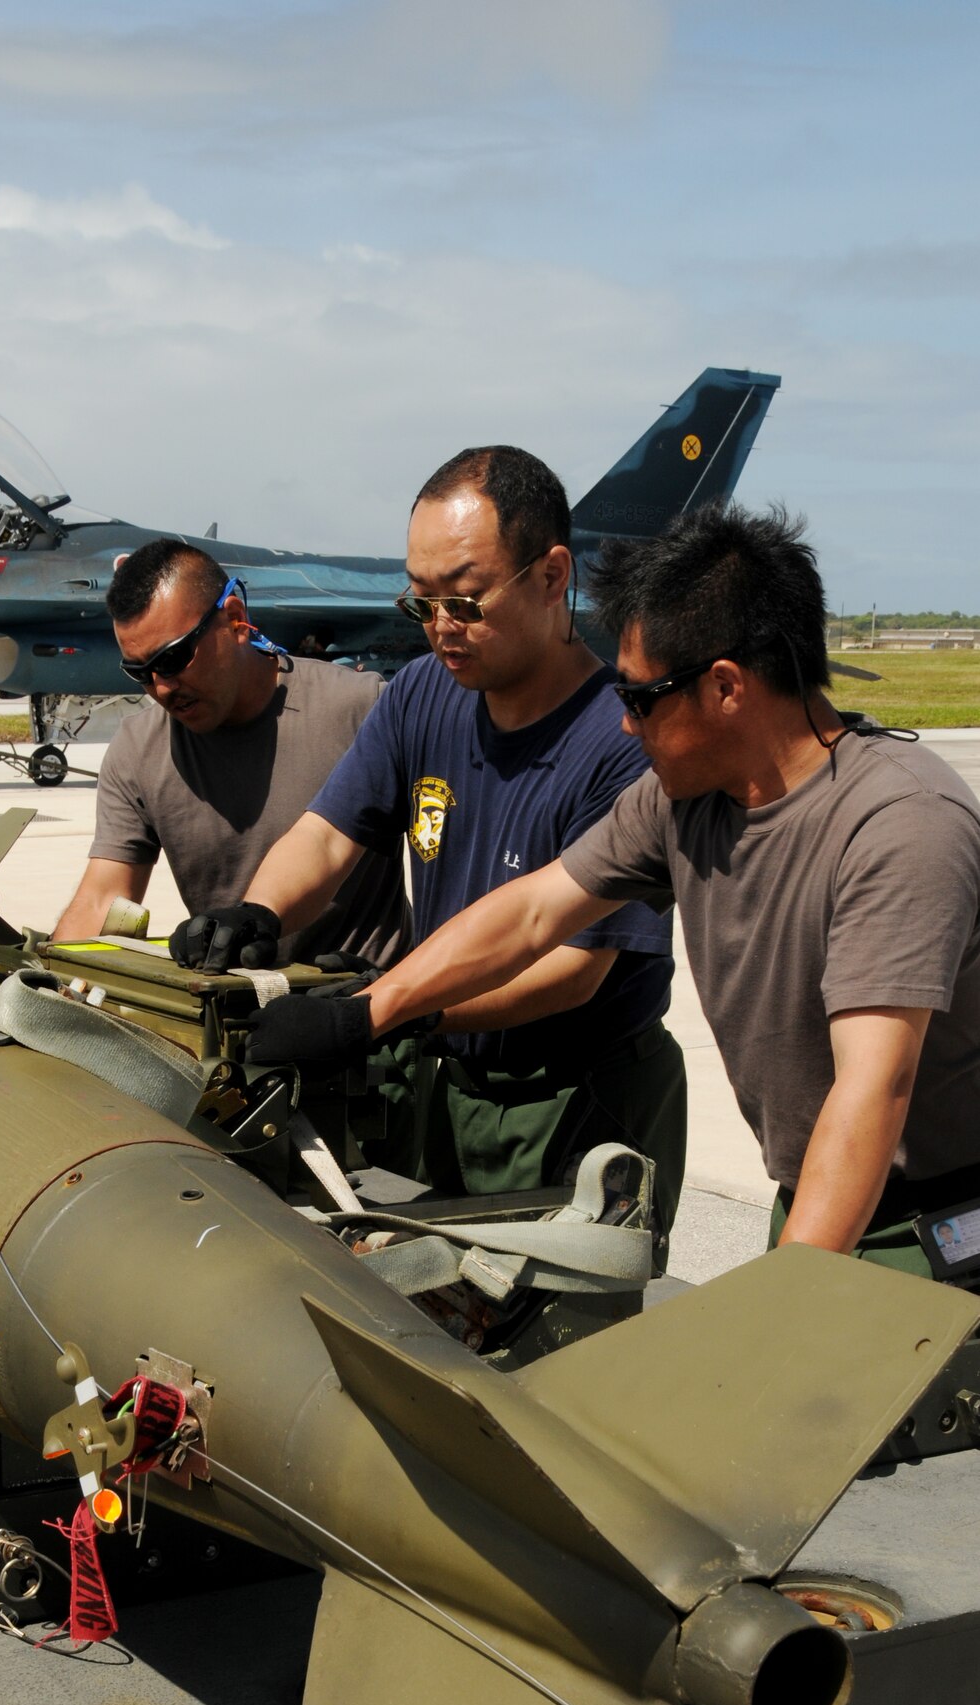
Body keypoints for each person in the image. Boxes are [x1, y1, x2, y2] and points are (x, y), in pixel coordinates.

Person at [247, 503, 980, 1278]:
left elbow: (873, 1088)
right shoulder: (685, 798)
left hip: (931, 1221)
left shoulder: (900, 825)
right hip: (815, 1190)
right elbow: (534, 911)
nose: (625, 727)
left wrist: (781, 1301)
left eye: (638, 699)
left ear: (726, 688)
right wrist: (368, 1013)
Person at [174, 447, 687, 1251]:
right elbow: (326, 835)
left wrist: (381, 1012)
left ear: (554, 577)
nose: (443, 628)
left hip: (574, 1093)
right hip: (448, 1074)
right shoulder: (422, 694)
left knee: (558, 1344)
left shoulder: (624, 741)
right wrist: (257, 914)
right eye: (422, 604)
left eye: (467, 602)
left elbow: (572, 971)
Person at [50, 538, 409, 969]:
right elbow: (103, 899)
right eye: (140, 672)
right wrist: (48, 991)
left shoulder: (360, 708)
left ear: (235, 619)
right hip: (231, 1013)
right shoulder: (138, 751)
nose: (162, 688)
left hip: (368, 1011)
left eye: (174, 658)